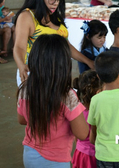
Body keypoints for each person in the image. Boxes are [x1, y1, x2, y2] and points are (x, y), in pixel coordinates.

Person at [17, 34, 89, 167]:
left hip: (30, 154)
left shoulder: (26, 89)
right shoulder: (67, 95)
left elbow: (22, 120)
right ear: (64, 64)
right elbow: (82, 133)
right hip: (56, 160)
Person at [14, 0, 93, 86]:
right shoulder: (27, 16)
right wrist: (21, 65)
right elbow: (19, 47)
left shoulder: (56, 18)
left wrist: (88, 62)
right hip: (35, 73)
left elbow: (67, 46)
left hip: (58, 73)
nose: (56, 3)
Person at [72, 70, 104, 168]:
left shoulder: (77, 111)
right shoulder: (101, 113)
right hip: (98, 156)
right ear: (98, 92)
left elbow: (76, 137)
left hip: (81, 155)